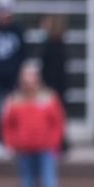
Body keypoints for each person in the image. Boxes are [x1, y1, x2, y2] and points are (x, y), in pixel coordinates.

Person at [1, 61, 65, 187]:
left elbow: (58, 123)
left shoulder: (48, 98)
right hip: (24, 152)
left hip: (45, 151)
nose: (29, 84)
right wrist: (12, 143)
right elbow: (7, 125)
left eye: (32, 79)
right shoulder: (14, 100)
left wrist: (54, 143)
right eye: (26, 80)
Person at [0, 3, 27, 159]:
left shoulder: (17, 30)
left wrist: (17, 71)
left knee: (13, 109)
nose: (4, 19)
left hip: (13, 77)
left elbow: (23, 52)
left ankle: (12, 142)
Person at [37, 15, 69, 156]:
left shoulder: (54, 46)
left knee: (55, 117)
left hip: (53, 87)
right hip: (54, 86)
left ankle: (59, 144)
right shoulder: (55, 44)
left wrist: (47, 87)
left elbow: (53, 70)